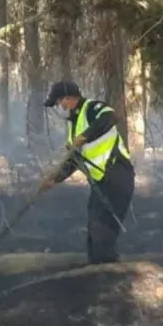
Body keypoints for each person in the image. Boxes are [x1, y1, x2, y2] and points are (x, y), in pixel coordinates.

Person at [38, 81, 136, 264]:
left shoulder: (92, 108)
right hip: (101, 181)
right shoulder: (73, 125)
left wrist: (85, 136)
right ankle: (99, 266)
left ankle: (107, 273)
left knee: (103, 227)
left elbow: (110, 117)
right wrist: (54, 180)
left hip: (117, 175)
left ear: (69, 97)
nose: (60, 106)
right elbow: (74, 159)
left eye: (60, 101)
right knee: (94, 225)